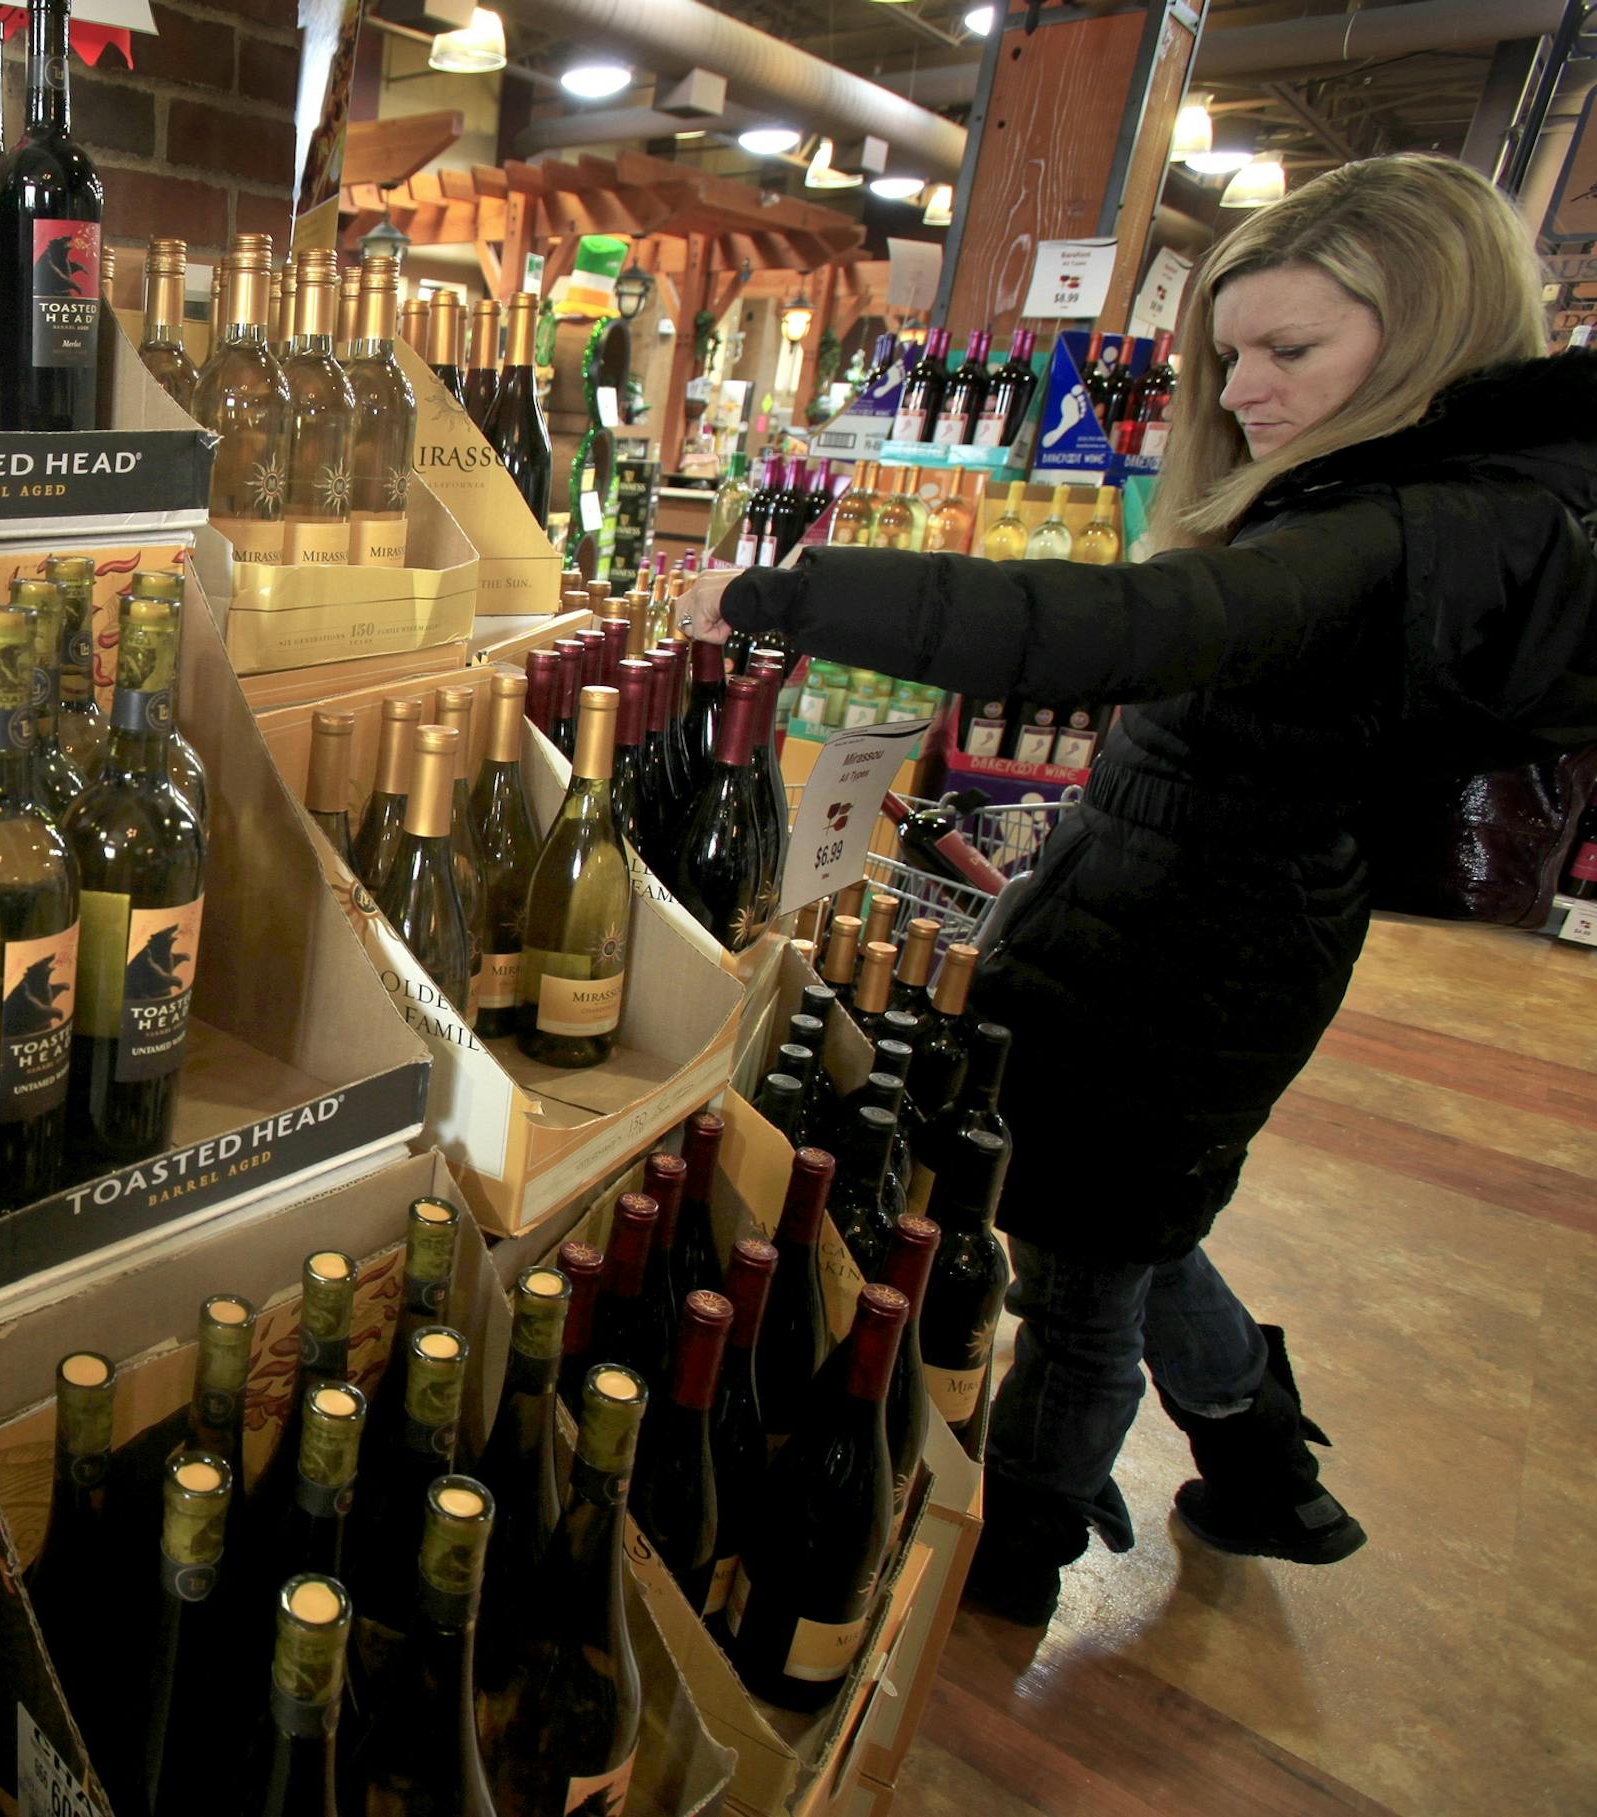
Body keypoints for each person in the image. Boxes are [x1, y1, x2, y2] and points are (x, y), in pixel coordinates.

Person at [680, 153, 1597, 1625]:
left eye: (1291, 350)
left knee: (1086, 1282)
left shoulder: (1395, 534)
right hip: (1160, 922)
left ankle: (1018, 1552)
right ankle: (1254, 1454)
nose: (1244, 393)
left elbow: (1111, 627)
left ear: (1425, 331)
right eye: (1231, 354)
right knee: (1126, 1220)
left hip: (1191, 965)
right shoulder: (1403, 506)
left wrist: (790, 591)